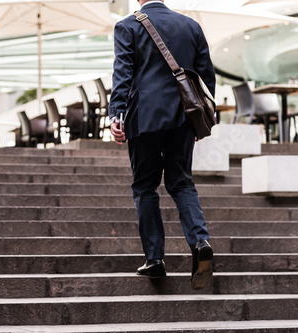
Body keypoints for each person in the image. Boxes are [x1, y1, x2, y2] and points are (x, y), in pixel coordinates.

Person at [108, 0, 216, 290]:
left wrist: (116, 115)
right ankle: (200, 241)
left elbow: (123, 73)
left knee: (145, 186)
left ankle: (155, 260)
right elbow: (207, 76)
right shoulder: (190, 26)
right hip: (183, 115)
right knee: (181, 182)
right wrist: (200, 119)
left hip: (143, 117)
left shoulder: (128, 25)